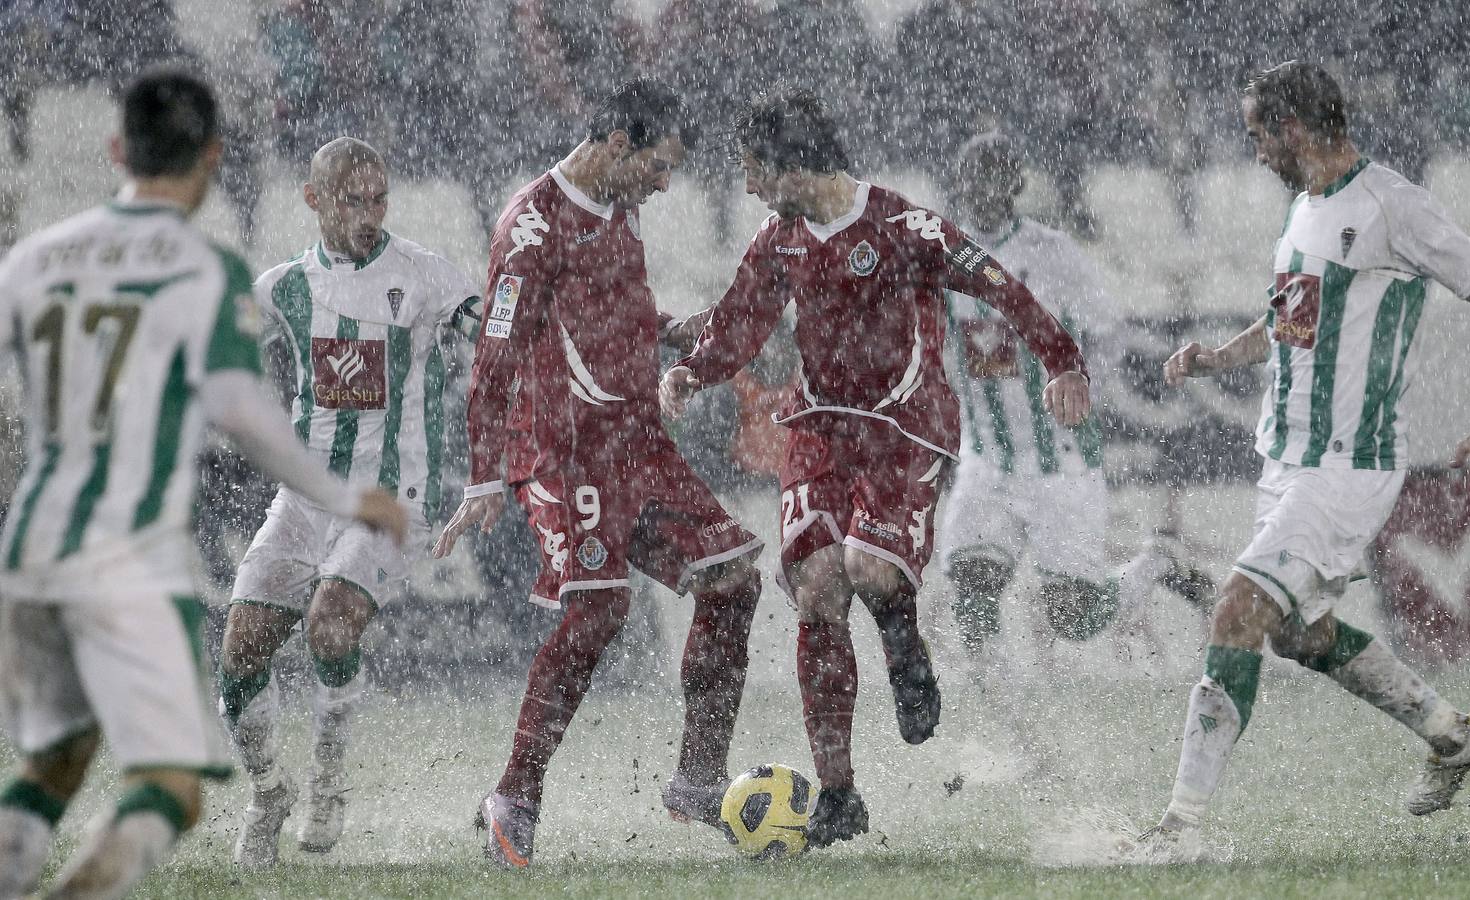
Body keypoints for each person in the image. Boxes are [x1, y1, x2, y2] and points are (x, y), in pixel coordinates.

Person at [0, 68, 407, 899]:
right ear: (215, 158)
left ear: (117, 150)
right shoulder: (203, 268)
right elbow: (245, 415)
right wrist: (344, 497)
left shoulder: (33, 258)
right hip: (127, 553)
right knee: (169, 790)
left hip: (29, 546)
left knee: (54, 763)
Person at [659, 86, 1091, 848]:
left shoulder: (901, 225)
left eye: (754, 169)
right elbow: (739, 321)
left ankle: (902, 641)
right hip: (820, 428)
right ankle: (838, 793)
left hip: (905, 426)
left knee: (869, 567)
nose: (750, 186)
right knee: (819, 588)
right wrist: (692, 372)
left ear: (792, 164)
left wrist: (1061, 360)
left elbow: (995, 282)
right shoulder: (778, 239)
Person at [1125, 61, 1470, 863]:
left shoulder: (1392, 205)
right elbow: (1291, 317)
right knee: (1297, 636)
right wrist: (1217, 357)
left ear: (1292, 129)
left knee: (1236, 612)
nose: (1252, 152)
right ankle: (1449, 734)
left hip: (1348, 462)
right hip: (1286, 458)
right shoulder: (1306, 209)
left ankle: (1178, 828)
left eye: (1255, 135)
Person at [432, 77, 764, 870]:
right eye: (659, 166)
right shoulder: (530, 229)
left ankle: (696, 779)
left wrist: (678, 330)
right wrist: (485, 477)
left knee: (733, 582)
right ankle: (512, 798)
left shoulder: (620, 206)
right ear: (618, 145)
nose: (664, 183)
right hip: (564, 447)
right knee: (598, 613)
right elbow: (494, 358)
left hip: (636, 441)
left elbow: (612, 307)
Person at [215, 136, 482, 868]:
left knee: (331, 627)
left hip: (391, 497)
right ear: (313, 199)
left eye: (379, 199)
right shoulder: (282, 288)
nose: (368, 214)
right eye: (351, 200)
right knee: (239, 653)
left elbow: (490, 324)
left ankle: (329, 782)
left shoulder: (423, 275)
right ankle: (270, 791)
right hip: (304, 498)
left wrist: (517, 318)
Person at [936, 132, 1204, 690]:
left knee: (1073, 616)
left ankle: (1156, 560)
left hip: (1059, 458)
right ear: (957, 184)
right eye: (970, 178)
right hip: (985, 455)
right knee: (971, 580)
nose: (979, 190)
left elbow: (1107, 330)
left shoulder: (1053, 254)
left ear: (1014, 186)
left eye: (991, 177)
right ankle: (1012, 727)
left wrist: (1085, 388)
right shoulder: (945, 256)